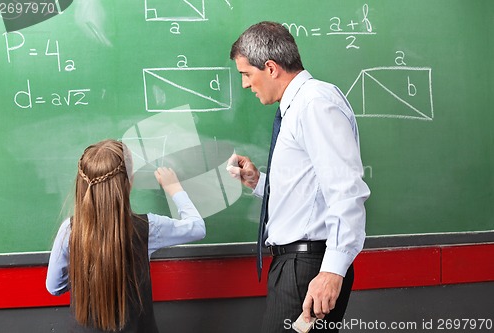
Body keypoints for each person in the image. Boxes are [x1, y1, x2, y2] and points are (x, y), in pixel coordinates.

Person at [228, 22, 370, 332]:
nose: (244, 85)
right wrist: (257, 182)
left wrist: (332, 271)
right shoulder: (298, 107)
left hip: (307, 266)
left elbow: (346, 189)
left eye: (246, 74)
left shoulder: (314, 104)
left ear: (270, 67)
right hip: (297, 264)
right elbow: (310, 191)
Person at [46, 139, 206, 332]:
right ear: (129, 183)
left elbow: (54, 287)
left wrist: (87, 273)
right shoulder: (148, 227)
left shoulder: (70, 230)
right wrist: (174, 189)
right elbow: (197, 227)